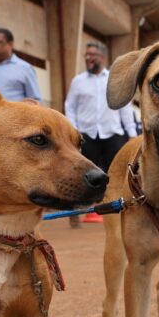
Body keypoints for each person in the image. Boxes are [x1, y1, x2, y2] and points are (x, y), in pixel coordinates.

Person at [65, 41, 137, 225]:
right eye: (86, 55)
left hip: (112, 133)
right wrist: (73, 130)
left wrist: (132, 134)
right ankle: (76, 212)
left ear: (102, 58)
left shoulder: (113, 79)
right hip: (86, 135)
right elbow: (70, 107)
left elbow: (124, 108)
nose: (88, 58)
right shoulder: (78, 81)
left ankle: (116, 210)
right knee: (82, 173)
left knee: (118, 172)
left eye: (92, 55)